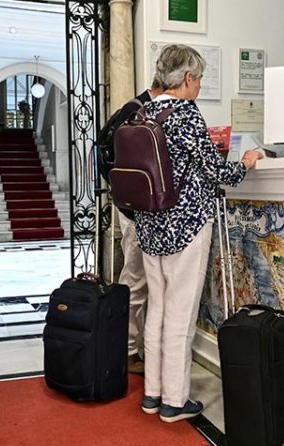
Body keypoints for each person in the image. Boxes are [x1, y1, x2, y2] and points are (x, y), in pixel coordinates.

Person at [135, 44, 262, 422]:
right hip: (186, 226)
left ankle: (152, 394)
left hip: (150, 225)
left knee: (157, 311)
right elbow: (216, 173)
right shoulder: (186, 114)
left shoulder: (146, 111)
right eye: (200, 77)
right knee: (180, 315)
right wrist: (245, 163)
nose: (201, 84)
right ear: (188, 78)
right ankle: (175, 400)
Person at [99, 78, 163, 374]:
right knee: (135, 280)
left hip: (129, 207)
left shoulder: (130, 109)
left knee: (136, 279)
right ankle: (126, 350)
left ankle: (128, 346)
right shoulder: (143, 113)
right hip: (139, 212)